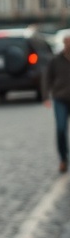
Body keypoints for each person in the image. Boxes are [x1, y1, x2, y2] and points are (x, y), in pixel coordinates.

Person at [44, 35, 70, 173]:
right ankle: (63, 158)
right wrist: (45, 96)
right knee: (60, 128)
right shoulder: (56, 60)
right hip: (60, 98)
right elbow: (47, 77)